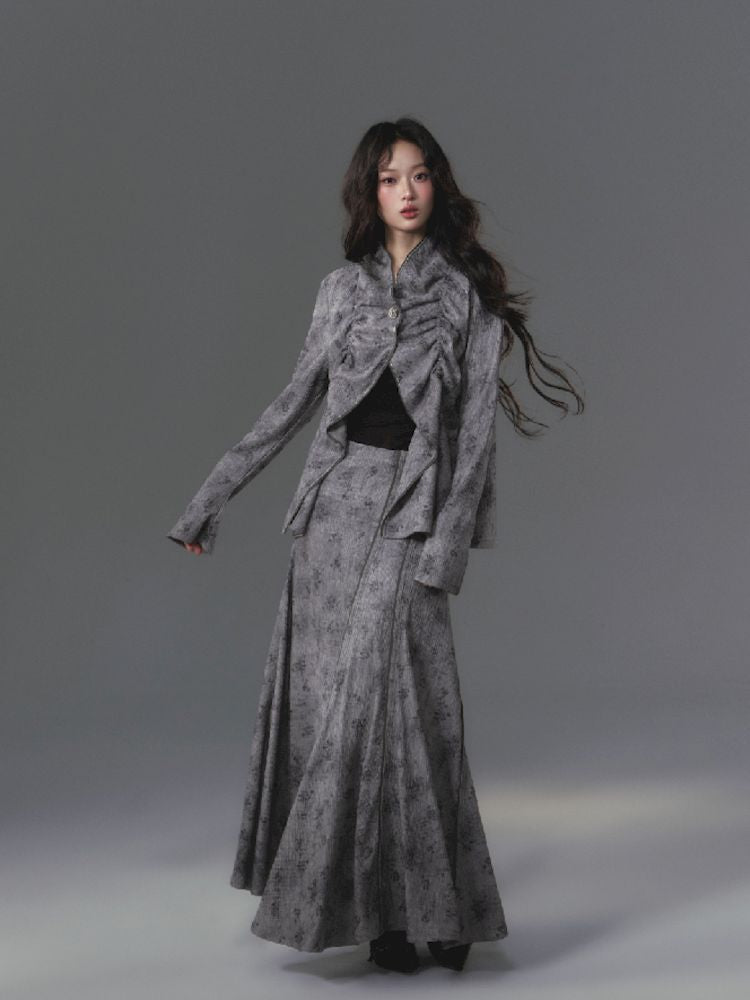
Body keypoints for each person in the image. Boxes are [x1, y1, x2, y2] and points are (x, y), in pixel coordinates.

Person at [166, 117, 584, 974]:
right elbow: (294, 402)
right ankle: (385, 921)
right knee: (341, 715)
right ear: (370, 191)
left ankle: (443, 913)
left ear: (437, 185)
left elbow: (474, 439)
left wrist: (447, 546)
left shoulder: (463, 295)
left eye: (420, 174)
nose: (407, 190)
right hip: (330, 518)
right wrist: (209, 499)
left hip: (411, 514)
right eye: (390, 177)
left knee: (395, 710)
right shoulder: (338, 291)